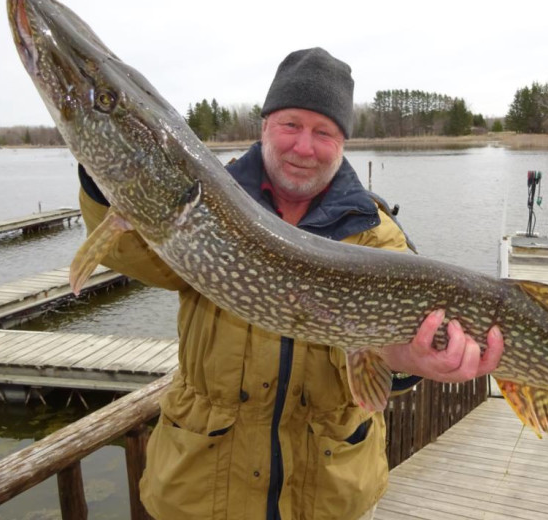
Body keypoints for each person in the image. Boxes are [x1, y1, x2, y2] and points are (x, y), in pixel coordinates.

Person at [77, 47, 504, 520]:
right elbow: (135, 254)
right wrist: (108, 180)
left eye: (323, 132)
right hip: (201, 495)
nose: (304, 146)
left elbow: (391, 369)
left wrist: (412, 360)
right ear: (264, 127)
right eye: (291, 125)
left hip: (327, 497)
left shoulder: (377, 234)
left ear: (343, 143)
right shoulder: (203, 207)